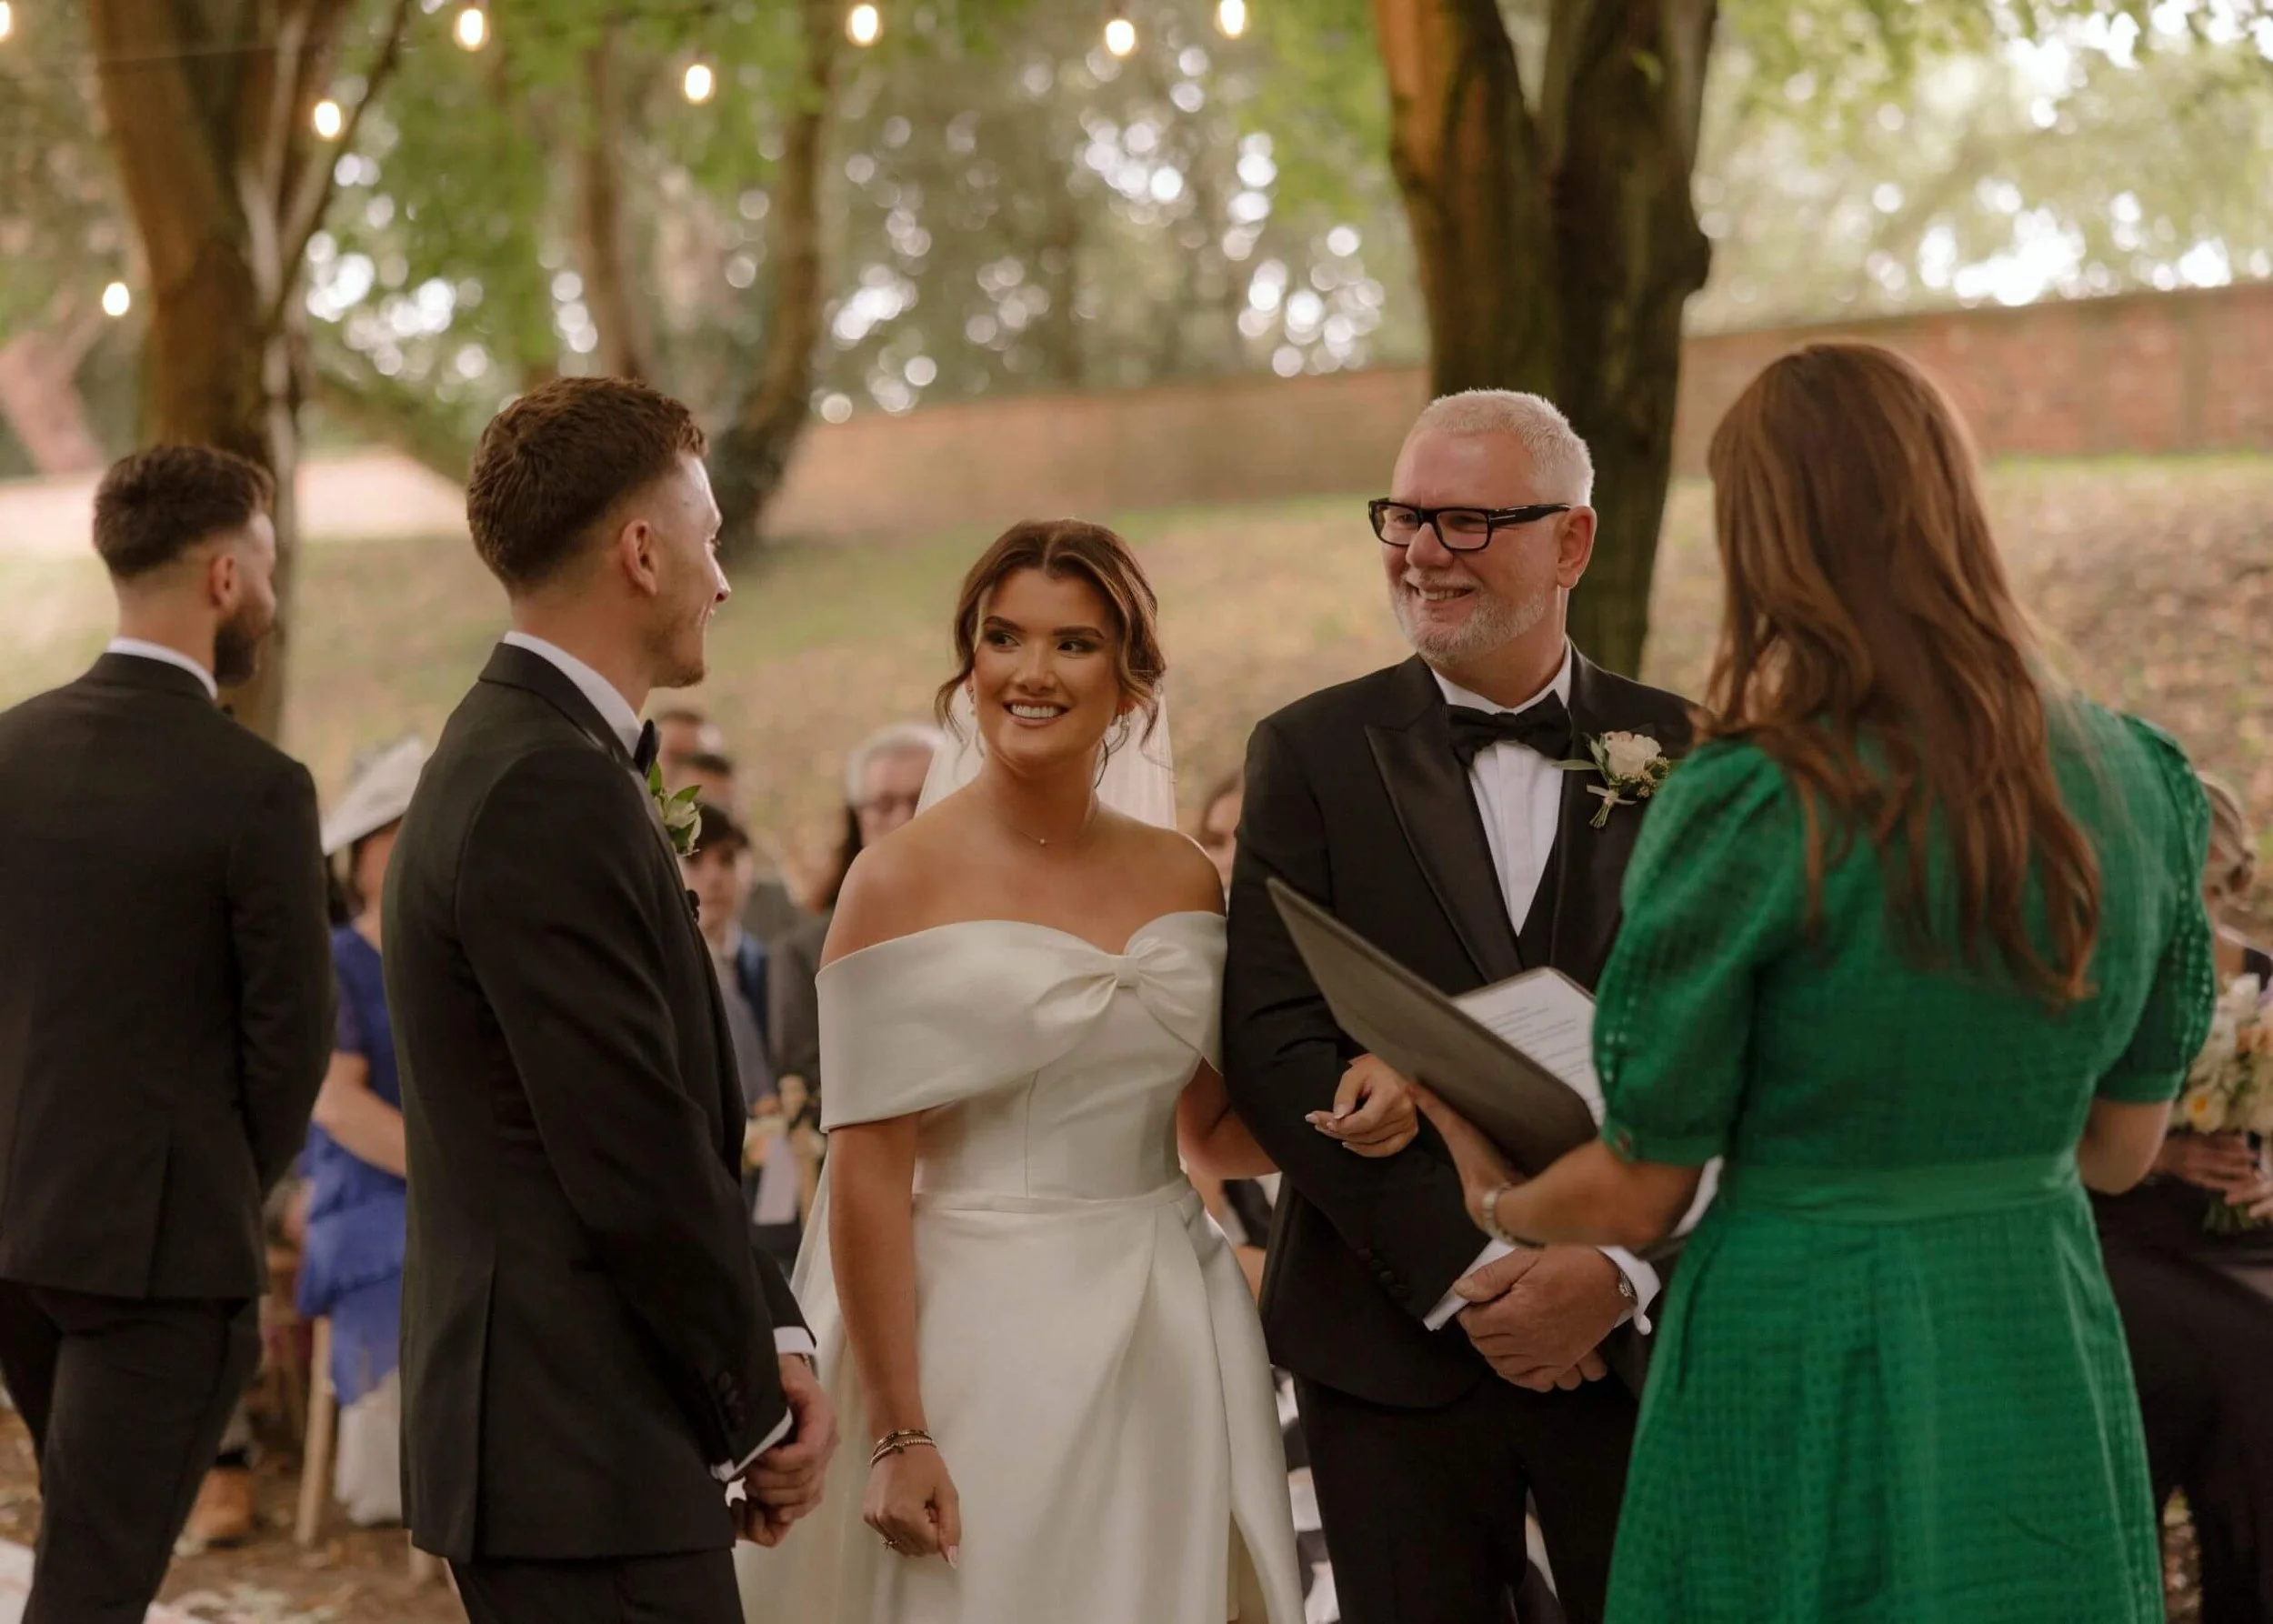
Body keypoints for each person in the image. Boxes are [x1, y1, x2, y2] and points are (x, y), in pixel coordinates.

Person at [1412, 341, 2214, 1622]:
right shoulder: (2140, 779)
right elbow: (2122, 1150)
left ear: (1766, 540)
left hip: (1801, 1337)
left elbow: (1645, 1177)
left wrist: (1501, 1197)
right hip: (2031, 1326)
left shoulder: (1751, 799)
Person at [736, 519, 1417, 1624]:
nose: (1032, 672)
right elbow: (866, 1172)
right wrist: (900, 1430)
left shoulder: (1183, 876)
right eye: (1003, 637)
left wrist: (1358, 1099)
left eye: (1074, 643)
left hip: (1161, 1324)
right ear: (969, 663)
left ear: (1132, 678)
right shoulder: (895, 882)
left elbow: (1208, 1132)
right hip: (968, 1324)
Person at [1222, 391, 1692, 1624]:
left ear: (1572, 541)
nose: (1423, 551)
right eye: (1405, 516)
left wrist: (1614, 1270)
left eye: (1468, 521)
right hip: (1391, 1339)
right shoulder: (1309, 753)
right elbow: (1272, 1036)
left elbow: (1735, 1045)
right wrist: (1474, 1269)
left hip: (1640, 1345)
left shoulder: (1691, 753)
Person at [383, 376, 838, 1623]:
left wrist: (773, 1336)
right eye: (710, 539)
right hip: (578, 1443)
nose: (722, 580)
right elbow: (627, 1147)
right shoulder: (546, 787)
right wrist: (754, 1407)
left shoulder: (522, 753)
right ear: (641, 552)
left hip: (573, 1443)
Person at [0, 446, 334, 1623]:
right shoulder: (259, 787)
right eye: (269, 569)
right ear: (225, 576)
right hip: (164, 1259)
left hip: (18, 1237)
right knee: (92, 1585)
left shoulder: (8, 750)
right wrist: (219, 1182)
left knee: (84, 1551)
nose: (271, 598)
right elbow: (290, 1045)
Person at [2094, 770, 2273, 1623]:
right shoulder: (2102, 973)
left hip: (2238, 1229)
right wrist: (2164, 1155)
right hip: (2125, 1223)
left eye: (2206, 890)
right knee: (2232, 1340)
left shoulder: (2262, 979)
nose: (2190, 913)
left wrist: (2263, 1179)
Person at [296, 737, 426, 1528]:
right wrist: (448, 1175)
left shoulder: (448, 953)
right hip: (362, 1189)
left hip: (448, 1181)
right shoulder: (339, 958)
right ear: (365, 856)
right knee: (421, 1249)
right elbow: (336, 1104)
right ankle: (405, 1479)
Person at [766, 723, 946, 1103]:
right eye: (884, 805)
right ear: (858, 819)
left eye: (922, 799)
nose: (904, 820)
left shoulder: (1001, 923)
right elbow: (808, 1084)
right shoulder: (804, 955)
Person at [683, 799, 805, 1275]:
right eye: (696, 860)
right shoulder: (665, 971)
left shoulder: (774, 964)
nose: (714, 877)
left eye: (728, 860)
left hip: (779, 1183)